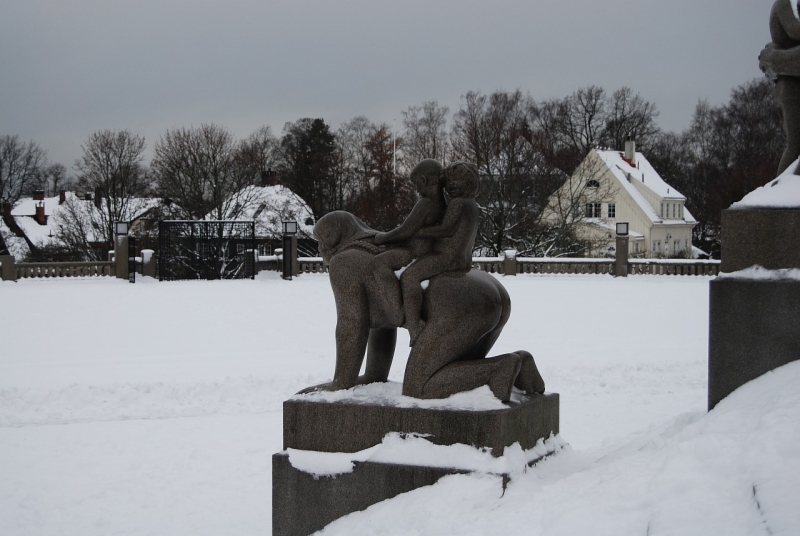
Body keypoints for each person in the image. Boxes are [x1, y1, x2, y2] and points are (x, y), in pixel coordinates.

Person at [399, 161, 480, 346]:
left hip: (448, 258)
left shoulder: (458, 203)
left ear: (469, 182)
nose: (450, 185)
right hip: (462, 259)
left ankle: (414, 325)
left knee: (410, 276)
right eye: (448, 181)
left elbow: (446, 230)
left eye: (456, 181)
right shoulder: (470, 203)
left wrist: (418, 232)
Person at [372, 160, 447, 325]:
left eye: (416, 184)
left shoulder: (426, 203)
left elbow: (405, 231)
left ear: (424, 180)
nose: (416, 189)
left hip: (416, 251)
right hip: (423, 248)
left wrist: (381, 238)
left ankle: (398, 311)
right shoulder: (441, 202)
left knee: (379, 262)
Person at [761, 0, 800, 173]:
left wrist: (774, 57)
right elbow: (795, 30)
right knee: (795, 146)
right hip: (792, 85)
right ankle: (783, 188)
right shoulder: (786, 4)